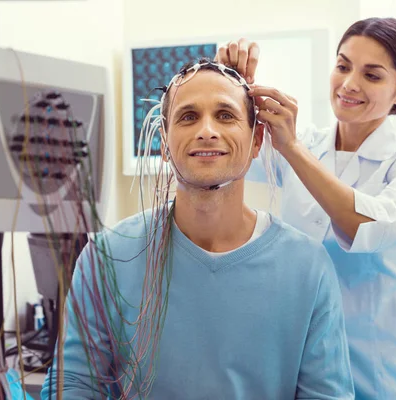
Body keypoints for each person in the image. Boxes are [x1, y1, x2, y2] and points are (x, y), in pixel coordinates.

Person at [41, 59, 355, 399]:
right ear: (164, 142)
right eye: (188, 117)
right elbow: (73, 385)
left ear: (256, 140)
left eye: (225, 115)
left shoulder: (307, 267)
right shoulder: (107, 258)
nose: (207, 130)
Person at [217, 17, 396, 400]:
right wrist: (230, 84)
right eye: (343, 66)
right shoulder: (305, 144)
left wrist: (292, 149)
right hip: (304, 364)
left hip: (381, 370)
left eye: (372, 75)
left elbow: (368, 226)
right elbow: (225, 157)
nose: (350, 84)